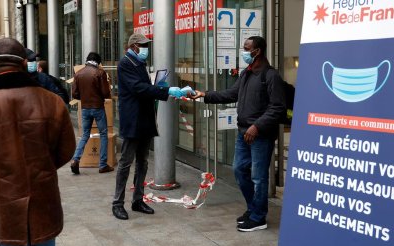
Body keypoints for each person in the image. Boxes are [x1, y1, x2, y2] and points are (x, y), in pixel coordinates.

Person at [0, 38, 76, 246]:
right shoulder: (51, 101)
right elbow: (66, 150)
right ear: (23, 63)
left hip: (3, 201)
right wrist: (43, 166)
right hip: (43, 196)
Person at [190, 36, 286, 232]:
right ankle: (253, 208)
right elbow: (230, 94)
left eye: (246, 48)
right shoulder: (246, 74)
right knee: (239, 170)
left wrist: (256, 127)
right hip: (243, 133)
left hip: (260, 135)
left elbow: (278, 108)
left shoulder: (270, 75)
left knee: (259, 178)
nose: (243, 52)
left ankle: (259, 218)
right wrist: (205, 94)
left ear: (257, 51)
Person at [112, 33, 189, 220]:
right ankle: (117, 203)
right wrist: (166, 90)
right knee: (126, 163)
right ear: (134, 46)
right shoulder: (125, 64)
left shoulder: (139, 63)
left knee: (143, 162)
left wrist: (159, 86)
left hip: (145, 119)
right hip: (133, 120)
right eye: (143, 45)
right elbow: (138, 88)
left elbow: (145, 88)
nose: (146, 49)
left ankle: (138, 199)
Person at [70, 52, 114, 174]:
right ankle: (103, 164)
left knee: (85, 135)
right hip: (98, 107)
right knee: (103, 134)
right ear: (98, 62)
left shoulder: (78, 74)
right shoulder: (100, 73)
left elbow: (75, 94)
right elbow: (105, 92)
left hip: (85, 108)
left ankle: (75, 159)